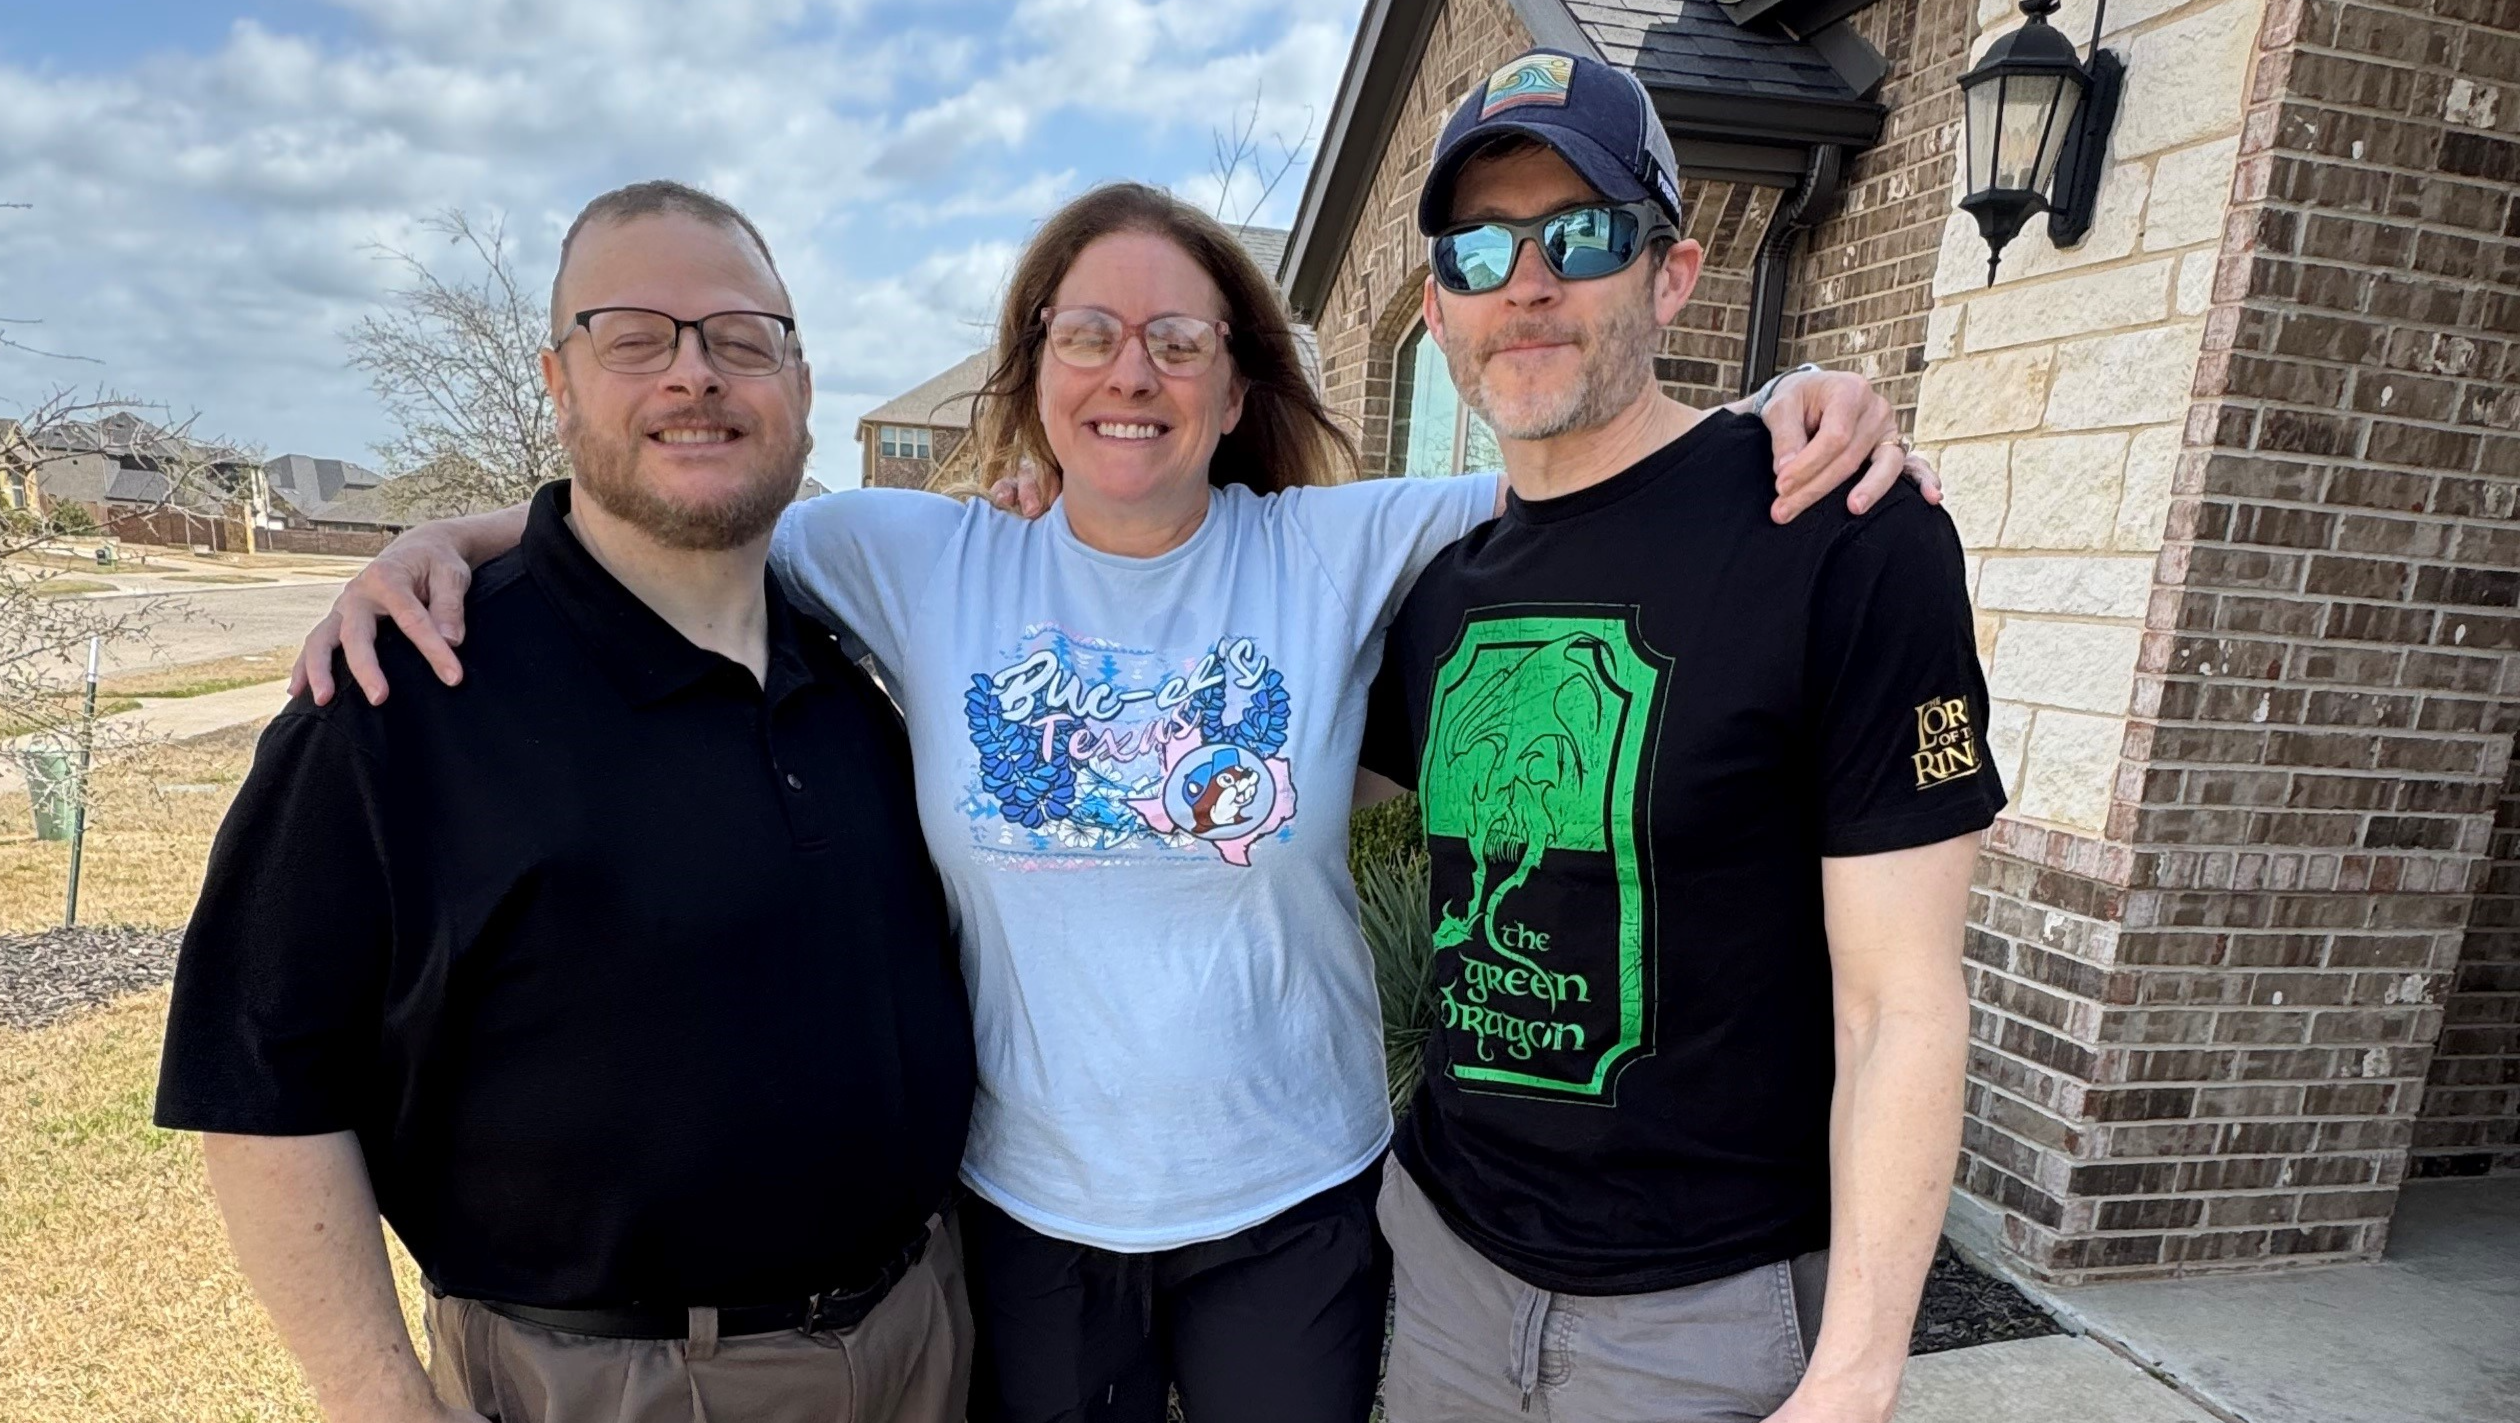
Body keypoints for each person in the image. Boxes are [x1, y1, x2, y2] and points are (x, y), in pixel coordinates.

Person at [292, 178, 1927, 1420]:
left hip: (1294, 1204)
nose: (1129, 370)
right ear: (1033, 370)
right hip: (1028, 1206)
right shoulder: (916, 556)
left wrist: (1794, 405)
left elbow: (1594, 453)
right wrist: (444, 543)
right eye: (1088, 332)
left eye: (1177, 339)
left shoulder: (1340, 543)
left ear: (1234, 383)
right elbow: (673, 512)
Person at [155, 182, 978, 1423]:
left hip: (925, 1340)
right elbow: (260, 1091)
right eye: (636, 338)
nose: (695, 375)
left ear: (802, 386)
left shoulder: (855, 662)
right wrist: (385, 1405)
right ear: (558, 381)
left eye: (742, 338)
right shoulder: (399, 695)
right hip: (619, 1384)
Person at [1359, 50, 2005, 1423]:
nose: (1527, 284)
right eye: (1478, 250)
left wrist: (1855, 1374)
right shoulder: (1433, 597)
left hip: (1707, 1320)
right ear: (1438, 308)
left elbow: (1901, 1001)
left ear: (1672, 275)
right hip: (1449, 1281)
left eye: (1583, 235)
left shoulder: (1841, 537)